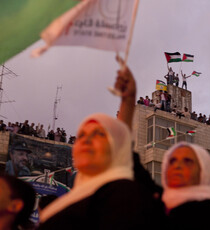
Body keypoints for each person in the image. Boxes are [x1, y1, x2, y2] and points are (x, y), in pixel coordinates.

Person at [38, 57, 165, 230]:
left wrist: (128, 102)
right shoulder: (58, 212)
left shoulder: (127, 196)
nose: (87, 140)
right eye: (82, 135)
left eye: (98, 134)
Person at [161, 142, 210, 230]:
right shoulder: (158, 203)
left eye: (187, 161)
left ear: (203, 170)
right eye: (172, 161)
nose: (177, 166)